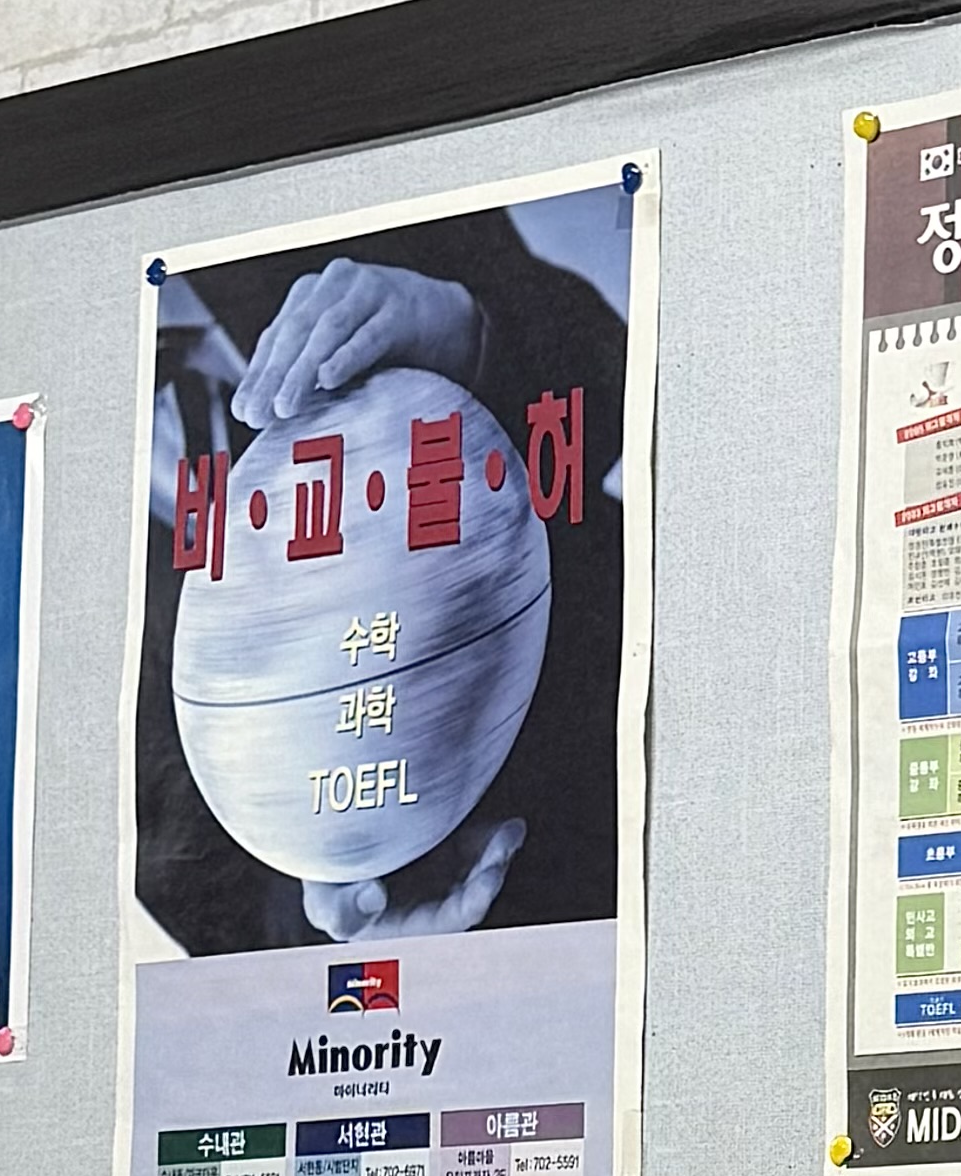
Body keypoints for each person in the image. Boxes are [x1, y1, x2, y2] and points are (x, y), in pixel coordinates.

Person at [137, 205, 632, 956]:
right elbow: (180, 871)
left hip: (633, 729)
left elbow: (612, 378)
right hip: (472, 960)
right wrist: (339, 902)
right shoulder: (41, 506)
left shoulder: (310, 194)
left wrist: (467, 332)